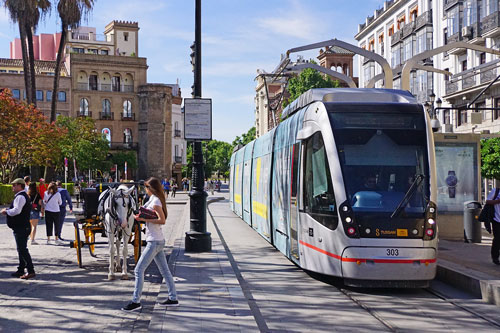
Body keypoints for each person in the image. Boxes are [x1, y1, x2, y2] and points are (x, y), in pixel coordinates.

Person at [122, 177, 178, 312]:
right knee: (165, 271)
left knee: (138, 270)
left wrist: (144, 218)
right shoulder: (153, 199)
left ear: (150, 188)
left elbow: (162, 220)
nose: (145, 190)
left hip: (154, 241)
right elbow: (152, 218)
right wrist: (141, 218)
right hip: (156, 240)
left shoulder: (156, 201)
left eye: (146, 187)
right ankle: (173, 298)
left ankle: (136, 301)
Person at [0, 178, 36, 279]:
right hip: (21, 226)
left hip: (21, 227)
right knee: (21, 249)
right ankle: (21, 269)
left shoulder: (20, 197)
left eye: (14, 185)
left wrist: (7, 211)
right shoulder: (21, 196)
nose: (12, 187)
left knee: (22, 249)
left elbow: (17, 210)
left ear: (20, 185)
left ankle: (30, 270)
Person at [486, 185, 500, 265]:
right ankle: (495, 257)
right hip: (497, 219)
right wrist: (498, 201)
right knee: (497, 238)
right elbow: (488, 201)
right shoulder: (496, 191)